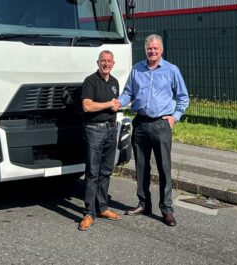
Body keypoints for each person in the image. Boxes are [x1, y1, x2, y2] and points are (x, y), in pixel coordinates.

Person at [118, 33, 189, 226]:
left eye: (155, 48)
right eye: (149, 48)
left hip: (161, 124)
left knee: (164, 168)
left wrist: (175, 117)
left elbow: (183, 97)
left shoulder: (171, 70)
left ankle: (166, 209)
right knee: (141, 167)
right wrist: (118, 102)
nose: (152, 51)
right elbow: (128, 93)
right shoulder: (137, 70)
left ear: (161, 50)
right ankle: (143, 203)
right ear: (145, 50)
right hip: (140, 123)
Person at [78, 50, 123, 231]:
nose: (106, 64)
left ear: (113, 64)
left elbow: (112, 105)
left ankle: (102, 207)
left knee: (106, 171)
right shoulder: (90, 81)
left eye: (109, 61)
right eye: (103, 61)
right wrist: (109, 104)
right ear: (98, 63)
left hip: (111, 130)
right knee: (92, 173)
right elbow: (87, 106)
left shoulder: (114, 82)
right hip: (94, 131)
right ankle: (89, 213)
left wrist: (115, 107)